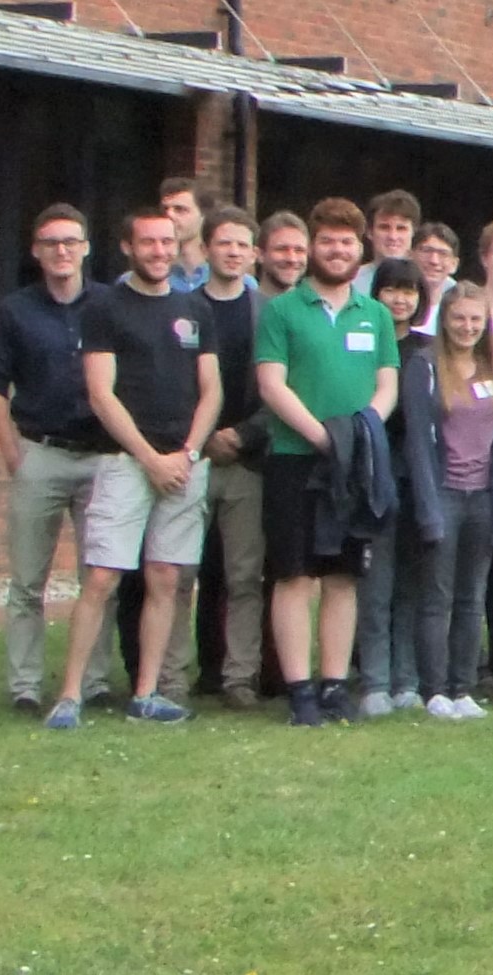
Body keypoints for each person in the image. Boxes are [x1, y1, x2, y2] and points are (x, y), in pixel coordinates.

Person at [47, 205, 221, 728]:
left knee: (165, 578)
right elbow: (102, 395)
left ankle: (145, 694)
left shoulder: (196, 309)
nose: (160, 251)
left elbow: (211, 390)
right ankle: (70, 696)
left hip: (185, 465)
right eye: (148, 243)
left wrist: (188, 453)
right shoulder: (105, 309)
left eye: (167, 242)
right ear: (127, 247)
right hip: (126, 463)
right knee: (101, 578)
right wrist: (149, 458)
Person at [252, 199, 402, 726]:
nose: (337, 250)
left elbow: (387, 384)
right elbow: (272, 383)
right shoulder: (281, 311)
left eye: (347, 242)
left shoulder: (376, 314)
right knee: (294, 576)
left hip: (354, 465)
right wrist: (323, 437)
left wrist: (361, 432)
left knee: (343, 577)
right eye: (328, 241)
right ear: (312, 246)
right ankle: (300, 691)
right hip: (296, 460)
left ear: (360, 251)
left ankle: (335, 686)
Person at [0, 204, 117, 714]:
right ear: (36, 252)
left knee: (99, 576)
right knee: (27, 582)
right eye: (50, 243)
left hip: (102, 457)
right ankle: (24, 685)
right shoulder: (14, 311)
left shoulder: (110, 304)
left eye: (71, 241)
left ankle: (97, 681)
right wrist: (12, 455)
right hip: (40, 454)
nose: (61, 251)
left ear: (86, 248)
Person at [392, 285, 493, 717]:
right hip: (443, 494)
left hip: (484, 498)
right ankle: (435, 691)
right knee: (437, 597)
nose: (467, 328)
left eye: (475, 320)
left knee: (473, 596)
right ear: (444, 320)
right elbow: (417, 442)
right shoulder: (424, 366)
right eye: (459, 318)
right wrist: (428, 510)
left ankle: (463, 687)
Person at [188, 207, 273, 710]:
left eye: (243, 245)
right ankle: (178, 674)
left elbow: (284, 384)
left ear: (254, 254)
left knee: (244, 576)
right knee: (177, 573)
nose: (234, 252)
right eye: (224, 243)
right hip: (188, 460)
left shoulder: (269, 312)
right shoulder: (180, 307)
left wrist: (241, 435)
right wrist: (199, 441)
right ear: (205, 249)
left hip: (246, 459)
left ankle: (240, 675)